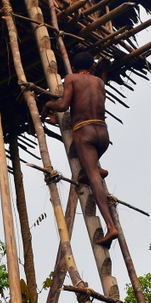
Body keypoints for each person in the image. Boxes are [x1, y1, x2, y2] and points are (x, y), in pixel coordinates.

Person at [41, 51, 121, 248]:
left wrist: (48, 105)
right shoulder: (99, 83)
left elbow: (64, 105)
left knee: (93, 179)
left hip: (84, 134)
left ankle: (110, 226)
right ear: (91, 67)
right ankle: (93, 170)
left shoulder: (71, 78)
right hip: (103, 134)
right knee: (91, 172)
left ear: (75, 68)